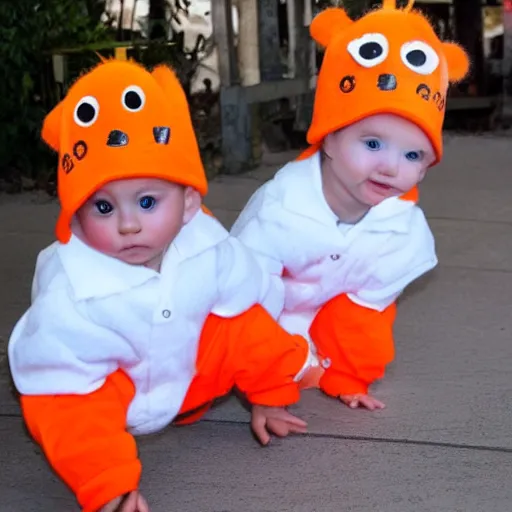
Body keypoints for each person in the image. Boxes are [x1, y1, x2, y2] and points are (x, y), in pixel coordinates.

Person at [8, 59, 320, 512]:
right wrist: (104, 473)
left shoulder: (208, 244)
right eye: (102, 208)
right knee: (60, 401)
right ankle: (109, 487)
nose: (128, 224)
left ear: (189, 200)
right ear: (74, 216)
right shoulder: (70, 287)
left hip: (189, 379)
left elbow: (252, 297)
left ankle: (279, 390)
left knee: (240, 322)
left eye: (148, 201)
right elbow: (52, 371)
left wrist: (268, 390)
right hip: (114, 391)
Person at [231, 0, 469, 411]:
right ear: (328, 135)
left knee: (357, 320)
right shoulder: (280, 211)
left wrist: (349, 373)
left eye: (413, 156)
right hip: (258, 315)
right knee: (206, 357)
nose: (390, 166)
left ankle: (320, 364)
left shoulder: (401, 231)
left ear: (427, 169)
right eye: (372, 143)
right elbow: (244, 298)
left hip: (316, 321)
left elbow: (367, 307)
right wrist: (265, 384)